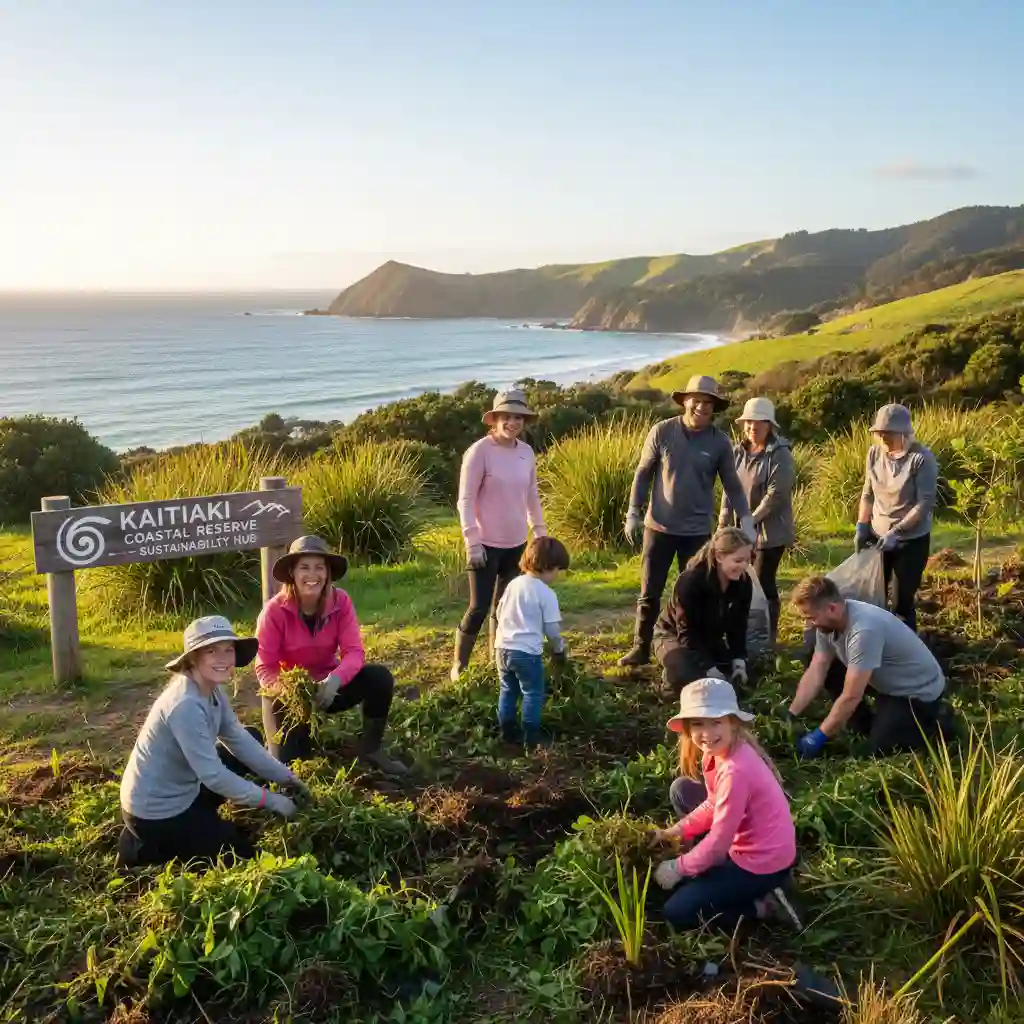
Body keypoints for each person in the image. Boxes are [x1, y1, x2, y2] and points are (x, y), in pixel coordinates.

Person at [117, 616, 308, 869]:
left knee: (250, 735)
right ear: (193, 658)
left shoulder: (211, 688)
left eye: (228, 649)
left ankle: (192, 826)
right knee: (240, 853)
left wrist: (287, 778)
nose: (224, 659)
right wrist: (272, 800)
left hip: (186, 786)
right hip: (156, 813)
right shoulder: (185, 705)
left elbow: (237, 739)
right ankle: (143, 847)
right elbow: (214, 777)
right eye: (211, 651)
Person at [620, 375, 753, 667]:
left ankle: (694, 649)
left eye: (709, 403)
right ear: (685, 401)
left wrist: (746, 519)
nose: (702, 407)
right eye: (697, 400)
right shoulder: (662, 431)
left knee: (699, 593)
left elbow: (732, 484)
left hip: (697, 533)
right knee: (649, 592)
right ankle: (641, 647)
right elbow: (643, 473)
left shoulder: (720, 442)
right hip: (659, 527)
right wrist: (633, 511)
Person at [650, 678, 801, 932]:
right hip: (756, 844)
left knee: (677, 912)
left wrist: (678, 867)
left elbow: (719, 843)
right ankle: (732, 882)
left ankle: (764, 905)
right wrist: (675, 832)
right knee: (682, 789)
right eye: (698, 723)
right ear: (687, 728)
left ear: (732, 722)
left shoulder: (735, 771)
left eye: (716, 722)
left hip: (761, 863)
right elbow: (713, 804)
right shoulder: (717, 752)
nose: (707, 734)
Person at [256, 535, 408, 775]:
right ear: (292, 573)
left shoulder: (341, 602)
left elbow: (354, 652)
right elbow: (265, 668)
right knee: (289, 769)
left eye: (319, 567)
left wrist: (335, 679)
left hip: (329, 687)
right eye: (304, 567)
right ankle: (280, 745)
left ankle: (371, 749)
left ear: (327, 573)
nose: (312, 575)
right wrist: (291, 693)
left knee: (379, 678)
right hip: (289, 697)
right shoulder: (274, 612)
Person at [787, 576, 956, 758]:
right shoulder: (828, 623)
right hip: (885, 679)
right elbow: (817, 669)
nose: (809, 624)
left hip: (914, 692)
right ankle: (866, 724)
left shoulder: (864, 630)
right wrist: (791, 713)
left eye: (811, 618)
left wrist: (818, 737)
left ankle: (936, 722)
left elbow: (852, 696)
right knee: (830, 670)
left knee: (881, 749)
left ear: (832, 608)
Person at [452, 388, 547, 681]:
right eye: (506, 416)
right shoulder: (479, 451)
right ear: (495, 419)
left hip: (517, 543)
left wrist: (540, 532)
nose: (512, 422)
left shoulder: (526, 452)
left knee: (504, 608)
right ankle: (459, 665)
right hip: (484, 545)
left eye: (517, 417)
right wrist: (472, 541)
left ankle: (499, 662)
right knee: (478, 607)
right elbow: (465, 500)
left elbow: (531, 494)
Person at [719, 397, 795, 648]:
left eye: (759, 422)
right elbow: (730, 488)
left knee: (763, 581)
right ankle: (743, 630)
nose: (753, 427)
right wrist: (724, 522)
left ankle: (768, 636)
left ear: (769, 425)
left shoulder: (780, 454)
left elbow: (776, 494)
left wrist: (750, 521)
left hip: (769, 533)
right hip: (741, 530)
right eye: (749, 422)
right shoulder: (738, 451)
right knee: (737, 579)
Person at [855, 403, 938, 632]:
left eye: (888, 434)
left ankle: (907, 652)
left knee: (902, 603)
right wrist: (862, 526)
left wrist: (897, 532)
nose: (883, 438)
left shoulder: (921, 459)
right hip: (877, 534)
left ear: (904, 433)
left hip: (910, 539)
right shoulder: (874, 454)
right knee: (874, 597)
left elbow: (924, 504)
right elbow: (867, 494)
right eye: (879, 433)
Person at [652, 527, 754, 694]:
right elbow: (686, 633)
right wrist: (709, 670)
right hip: (673, 635)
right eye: (738, 561)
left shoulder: (743, 582)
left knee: (739, 676)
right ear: (720, 557)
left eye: (747, 561)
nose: (744, 566)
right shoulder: (691, 582)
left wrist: (739, 662)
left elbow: (739, 626)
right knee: (691, 677)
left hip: (709, 639)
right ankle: (670, 679)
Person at [494, 536, 571, 748]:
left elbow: (499, 612)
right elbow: (552, 630)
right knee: (533, 693)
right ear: (548, 567)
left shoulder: (513, 584)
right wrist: (559, 648)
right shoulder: (546, 594)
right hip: (526, 654)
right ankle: (531, 739)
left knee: (507, 690)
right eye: (557, 570)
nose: (557, 575)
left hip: (502, 649)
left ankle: (507, 734)